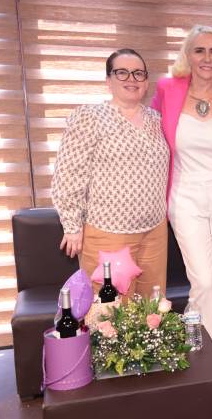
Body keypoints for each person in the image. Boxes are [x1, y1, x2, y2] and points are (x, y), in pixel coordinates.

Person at [151, 25, 212, 358]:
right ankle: (198, 349)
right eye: (200, 50)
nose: (207, 58)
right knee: (203, 279)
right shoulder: (167, 89)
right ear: (187, 55)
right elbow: (151, 138)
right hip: (184, 194)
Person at [52, 48, 169, 299]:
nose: (131, 79)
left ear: (146, 81)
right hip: (109, 233)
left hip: (155, 233)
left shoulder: (158, 120)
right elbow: (68, 174)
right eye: (122, 72)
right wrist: (72, 226)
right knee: (111, 313)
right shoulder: (90, 117)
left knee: (153, 308)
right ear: (108, 81)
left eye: (138, 73)